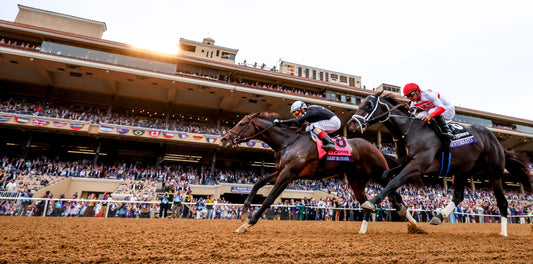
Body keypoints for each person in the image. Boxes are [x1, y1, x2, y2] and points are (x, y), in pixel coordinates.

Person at [274, 101, 341, 151]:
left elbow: (297, 121)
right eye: (294, 114)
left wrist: (281, 122)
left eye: (297, 113)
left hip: (333, 121)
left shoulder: (310, 111)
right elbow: (298, 124)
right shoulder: (308, 112)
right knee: (307, 129)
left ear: (302, 109)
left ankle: (330, 143)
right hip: (330, 122)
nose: (296, 116)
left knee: (313, 126)